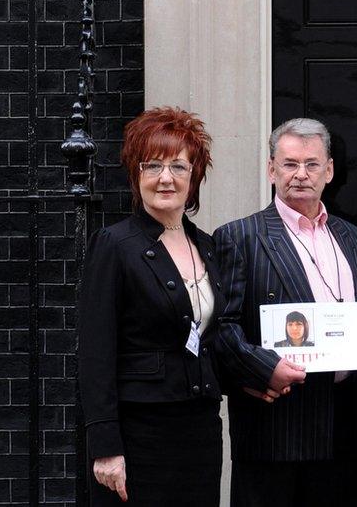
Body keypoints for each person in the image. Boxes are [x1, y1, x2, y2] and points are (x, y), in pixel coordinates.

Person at [77, 107, 303, 506]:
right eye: (153, 166)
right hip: (139, 432)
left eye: (178, 167)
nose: (166, 178)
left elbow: (210, 339)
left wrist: (251, 377)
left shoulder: (207, 245)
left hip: (199, 430)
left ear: (194, 176)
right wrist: (105, 446)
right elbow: (95, 354)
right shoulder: (115, 245)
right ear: (136, 174)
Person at [213, 117, 357, 507]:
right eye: (289, 164)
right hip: (276, 428)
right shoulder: (239, 237)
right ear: (271, 169)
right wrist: (263, 367)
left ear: (329, 170)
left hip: (344, 425)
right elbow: (221, 327)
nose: (300, 175)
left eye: (311, 164)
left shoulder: (353, 238)